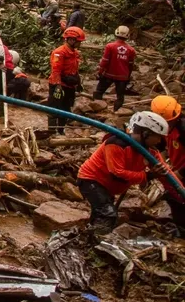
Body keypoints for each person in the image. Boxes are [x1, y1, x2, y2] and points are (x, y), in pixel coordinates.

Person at [77, 111, 168, 234]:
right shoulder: (116, 143)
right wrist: (147, 175)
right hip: (91, 180)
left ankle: (89, 238)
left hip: (109, 187)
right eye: (157, 136)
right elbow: (117, 172)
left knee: (101, 213)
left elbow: (165, 170)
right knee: (107, 214)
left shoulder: (151, 151)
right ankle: (96, 243)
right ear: (145, 133)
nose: (159, 141)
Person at [150, 96, 185, 233]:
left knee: (177, 197)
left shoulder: (183, 129)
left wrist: (178, 174)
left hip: (182, 171)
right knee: (174, 197)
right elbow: (161, 146)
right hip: (177, 168)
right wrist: (162, 160)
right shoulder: (162, 127)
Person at [91, 26, 138, 111]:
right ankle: (116, 112)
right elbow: (131, 65)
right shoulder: (131, 50)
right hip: (122, 77)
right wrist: (128, 76)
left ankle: (96, 109)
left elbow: (105, 61)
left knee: (99, 91)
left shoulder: (110, 46)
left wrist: (100, 72)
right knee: (120, 96)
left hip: (108, 74)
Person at [48, 26, 85, 134]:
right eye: (79, 42)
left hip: (69, 85)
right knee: (54, 108)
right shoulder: (59, 52)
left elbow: (75, 69)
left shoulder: (75, 53)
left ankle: (60, 130)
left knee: (66, 109)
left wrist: (78, 83)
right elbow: (56, 70)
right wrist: (58, 86)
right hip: (59, 85)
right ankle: (51, 131)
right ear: (72, 40)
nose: (80, 44)